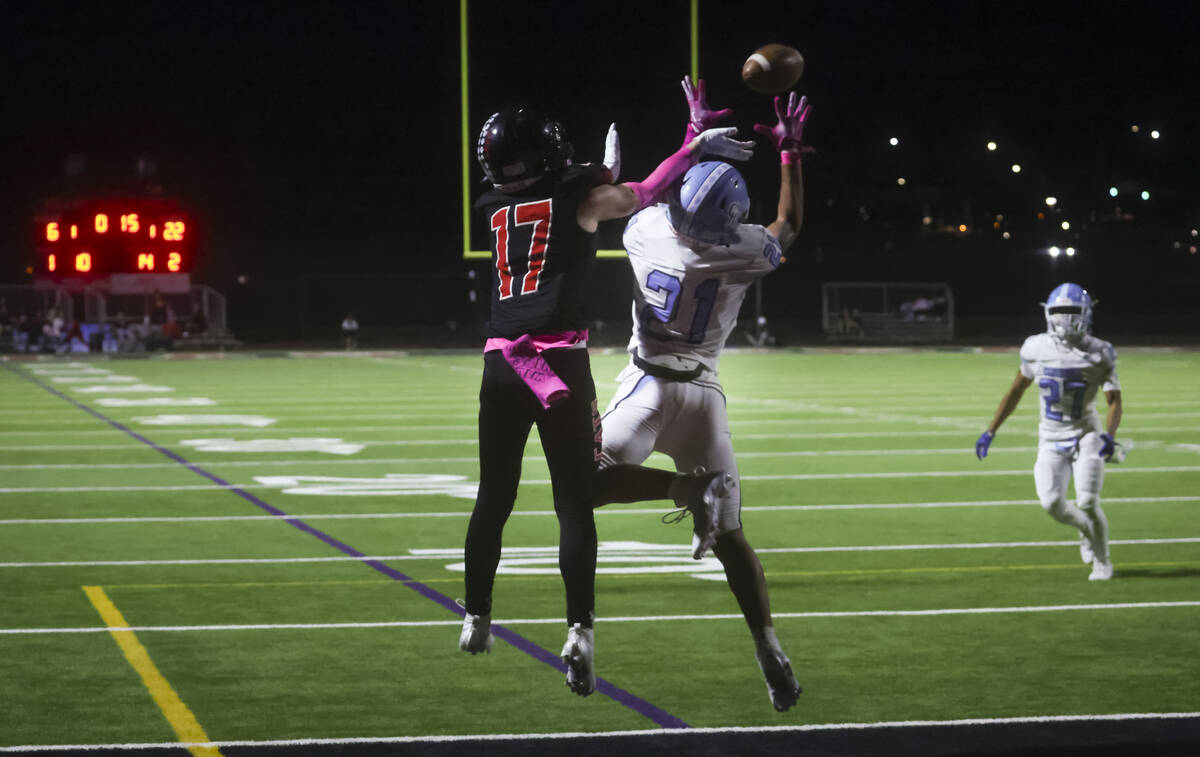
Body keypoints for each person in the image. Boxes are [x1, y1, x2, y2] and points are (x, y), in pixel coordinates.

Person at [460, 99, 754, 697]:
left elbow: (554, 185)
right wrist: (692, 147)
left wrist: (594, 171)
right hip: (557, 365)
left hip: (501, 363)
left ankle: (477, 617)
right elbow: (645, 190)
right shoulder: (582, 200)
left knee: (494, 495)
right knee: (573, 501)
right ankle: (579, 631)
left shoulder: (489, 206)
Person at [595, 80, 810, 712]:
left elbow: (647, 191)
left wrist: (691, 140)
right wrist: (789, 151)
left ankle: (679, 491)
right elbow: (789, 224)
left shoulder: (645, 234)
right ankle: (768, 645)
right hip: (704, 399)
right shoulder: (742, 249)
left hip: (647, 387)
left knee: (584, 481)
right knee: (733, 538)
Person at [975, 283, 1122, 581]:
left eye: (1072, 312)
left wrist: (1109, 434)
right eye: (1060, 312)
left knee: (1088, 501)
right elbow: (1015, 391)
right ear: (1048, 313)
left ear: (1086, 314)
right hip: (1051, 436)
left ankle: (1103, 562)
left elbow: (1114, 400)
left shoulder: (1100, 351)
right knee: (1051, 503)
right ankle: (1084, 530)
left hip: (1086, 434)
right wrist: (991, 430)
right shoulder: (1035, 348)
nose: (1066, 320)